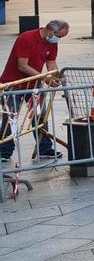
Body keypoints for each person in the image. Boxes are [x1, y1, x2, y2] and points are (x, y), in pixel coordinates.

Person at [1, 20, 70, 162]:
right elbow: (22, 66)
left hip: (34, 85)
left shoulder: (52, 42)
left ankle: (44, 148)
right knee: (10, 117)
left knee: (40, 116)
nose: (59, 40)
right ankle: (4, 151)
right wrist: (45, 78)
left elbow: (51, 62)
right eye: (59, 36)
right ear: (51, 31)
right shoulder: (26, 38)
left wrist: (56, 77)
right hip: (13, 84)